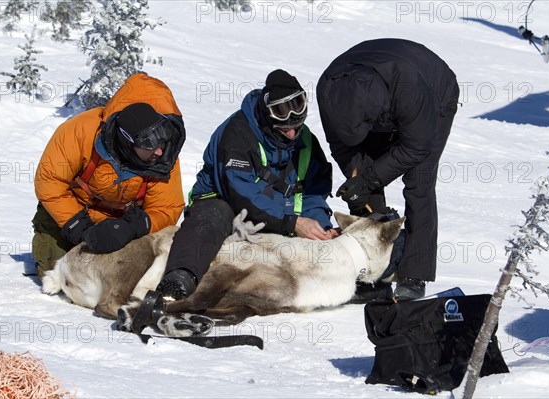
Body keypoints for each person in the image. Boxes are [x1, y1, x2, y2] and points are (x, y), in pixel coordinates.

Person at [156, 69, 338, 300]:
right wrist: (291, 222)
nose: (292, 133)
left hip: (280, 218)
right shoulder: (237, 134)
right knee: (213, 215)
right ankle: (180, 278)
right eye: (284, 128)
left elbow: (312, 192)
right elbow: (241, 194)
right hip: (226, 205)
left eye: (297, 126)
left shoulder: (306, 142)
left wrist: (319, 226)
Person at [317, 39, 460, 301]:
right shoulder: (328, 89)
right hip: (381, 92)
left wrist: (370, 178)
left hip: (435, 93)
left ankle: (414, 274)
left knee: (419, 183)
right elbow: (340, 143)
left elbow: (417, 147)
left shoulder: (409, 91)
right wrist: (357, 180)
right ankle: (372, 268)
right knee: (362, 181)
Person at [32, 73, 186, 279]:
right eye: (149, 144)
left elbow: (167, 208)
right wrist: (81, 229)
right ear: (127, 139)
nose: (158, 151)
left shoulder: (164, 155)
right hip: (71, 214)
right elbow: (50, 181)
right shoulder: (80, 130)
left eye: (162, 143)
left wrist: (134, 226)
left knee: (129, 277)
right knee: (59, 275)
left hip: (123, 225)